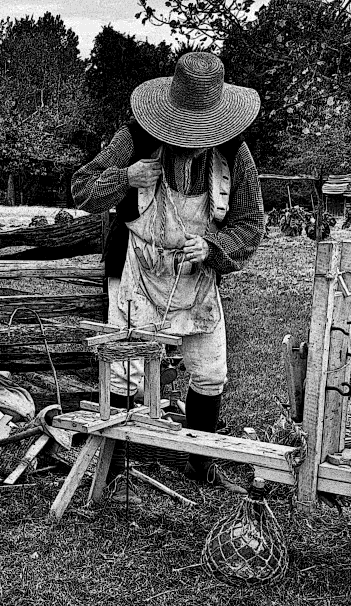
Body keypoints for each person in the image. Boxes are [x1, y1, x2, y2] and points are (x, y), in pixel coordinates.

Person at [72, 52, 265, 502]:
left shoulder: (234, 154)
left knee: (211, 372)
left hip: (195, 279)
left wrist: (215, 249)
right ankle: (114, 464)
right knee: (124, 373)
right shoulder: (136, 140)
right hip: (138, 272)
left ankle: (198, 463)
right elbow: (82, 190)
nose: (195, 141)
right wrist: (124, 175)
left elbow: (251, 222)